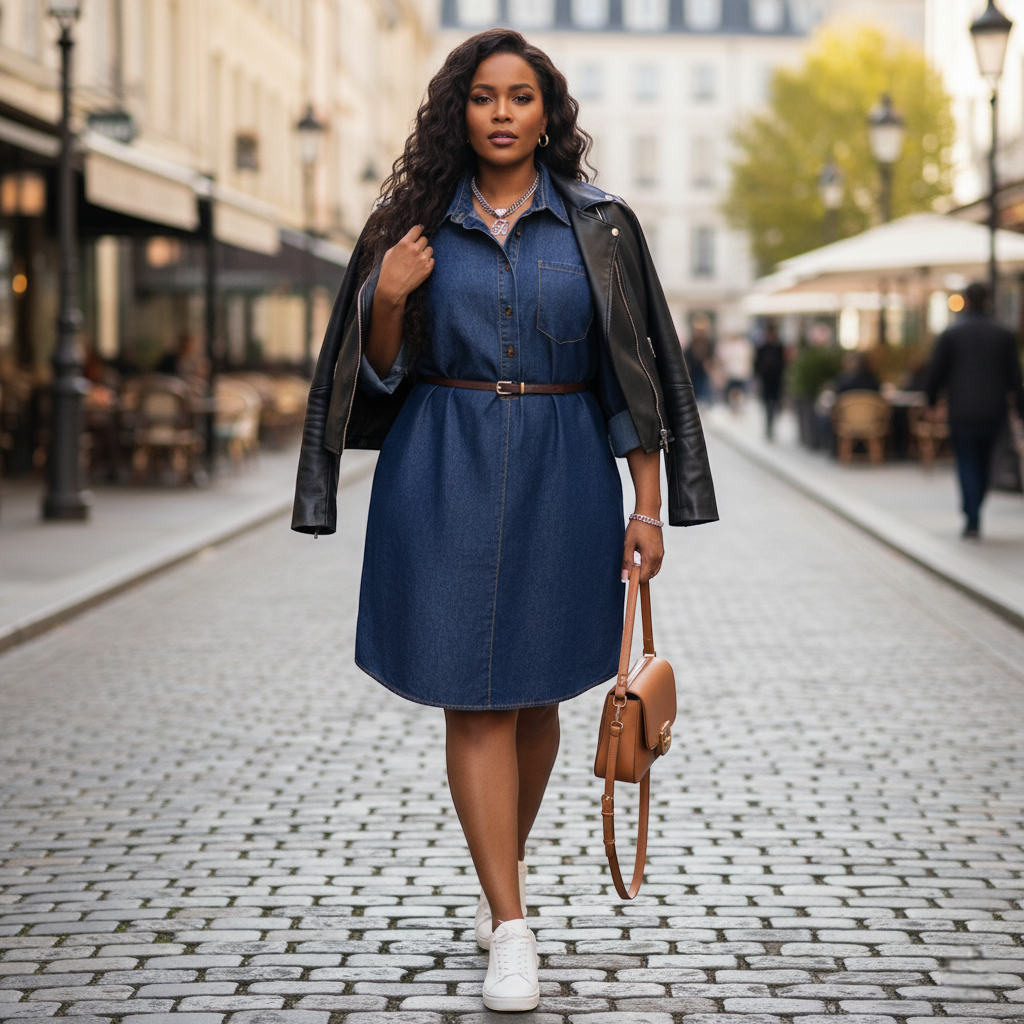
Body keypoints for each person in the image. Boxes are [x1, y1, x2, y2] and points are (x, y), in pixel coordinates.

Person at [291, 29, 717, 1012]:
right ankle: (511, 926)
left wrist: (647, 502)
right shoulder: (409, 225)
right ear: (459, 109)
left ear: (545, 112)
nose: (500, 113)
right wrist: (385, 300)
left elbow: (632, 372)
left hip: (565, 464)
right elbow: (380, 374)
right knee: (474, 696)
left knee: (532, 699)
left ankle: (498, 883)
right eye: (483, 96)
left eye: (519, 97)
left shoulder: (599, 225)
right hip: (441, 461)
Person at [926, 281, 1024, 539]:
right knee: (984, 461)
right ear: (988, 301)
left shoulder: (951, 333)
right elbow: (1015, 377)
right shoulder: (1002, 334)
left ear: (966, 300)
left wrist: (931, 402)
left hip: (961, 409)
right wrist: (1021, 411)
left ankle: (972, 514)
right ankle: (974, 509)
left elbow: (935, 372)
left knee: (967, 462)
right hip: (994, 410)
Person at [754, 321, 785, 440]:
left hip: (777, 380)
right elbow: (756, 364)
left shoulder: (779, 347)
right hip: (766, 381)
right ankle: (768, 426)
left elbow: (783, 364)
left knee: (776, 405)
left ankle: (772, 425)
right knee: (767, 404)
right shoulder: (762, 348)